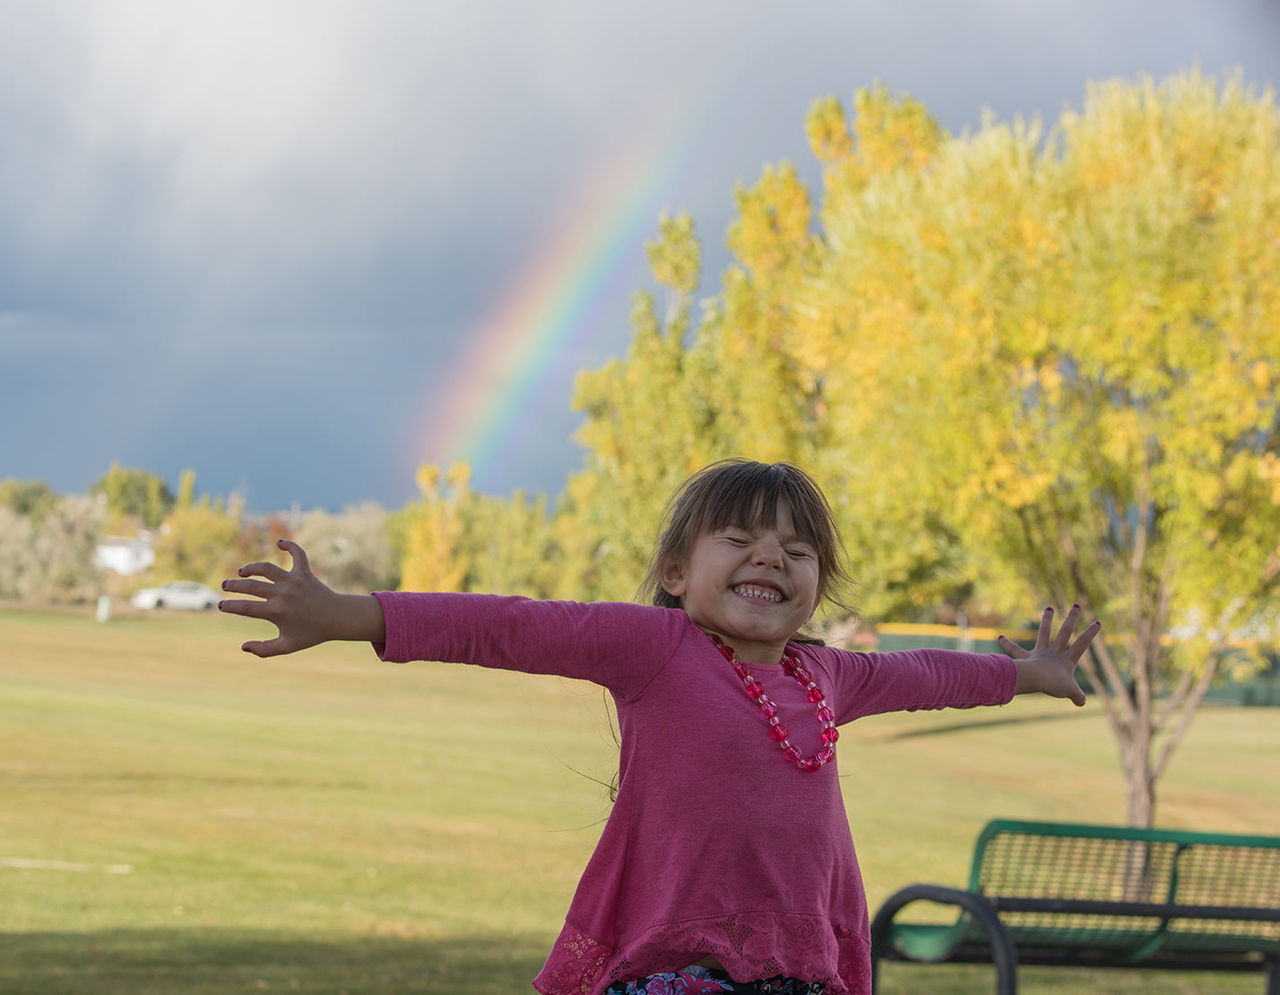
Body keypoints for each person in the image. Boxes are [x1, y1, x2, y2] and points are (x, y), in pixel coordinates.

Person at [218, 459, 1099, 995]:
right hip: (676, 965)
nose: (771, 558)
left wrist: (1028, 673)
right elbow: (509, 624)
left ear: (816, 588)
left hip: (800, 965)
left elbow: (929, 675)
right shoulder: (656, 648)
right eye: (742, 539)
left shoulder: (827, 674)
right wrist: (352, 614)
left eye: (798, 552)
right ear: (676, 571)